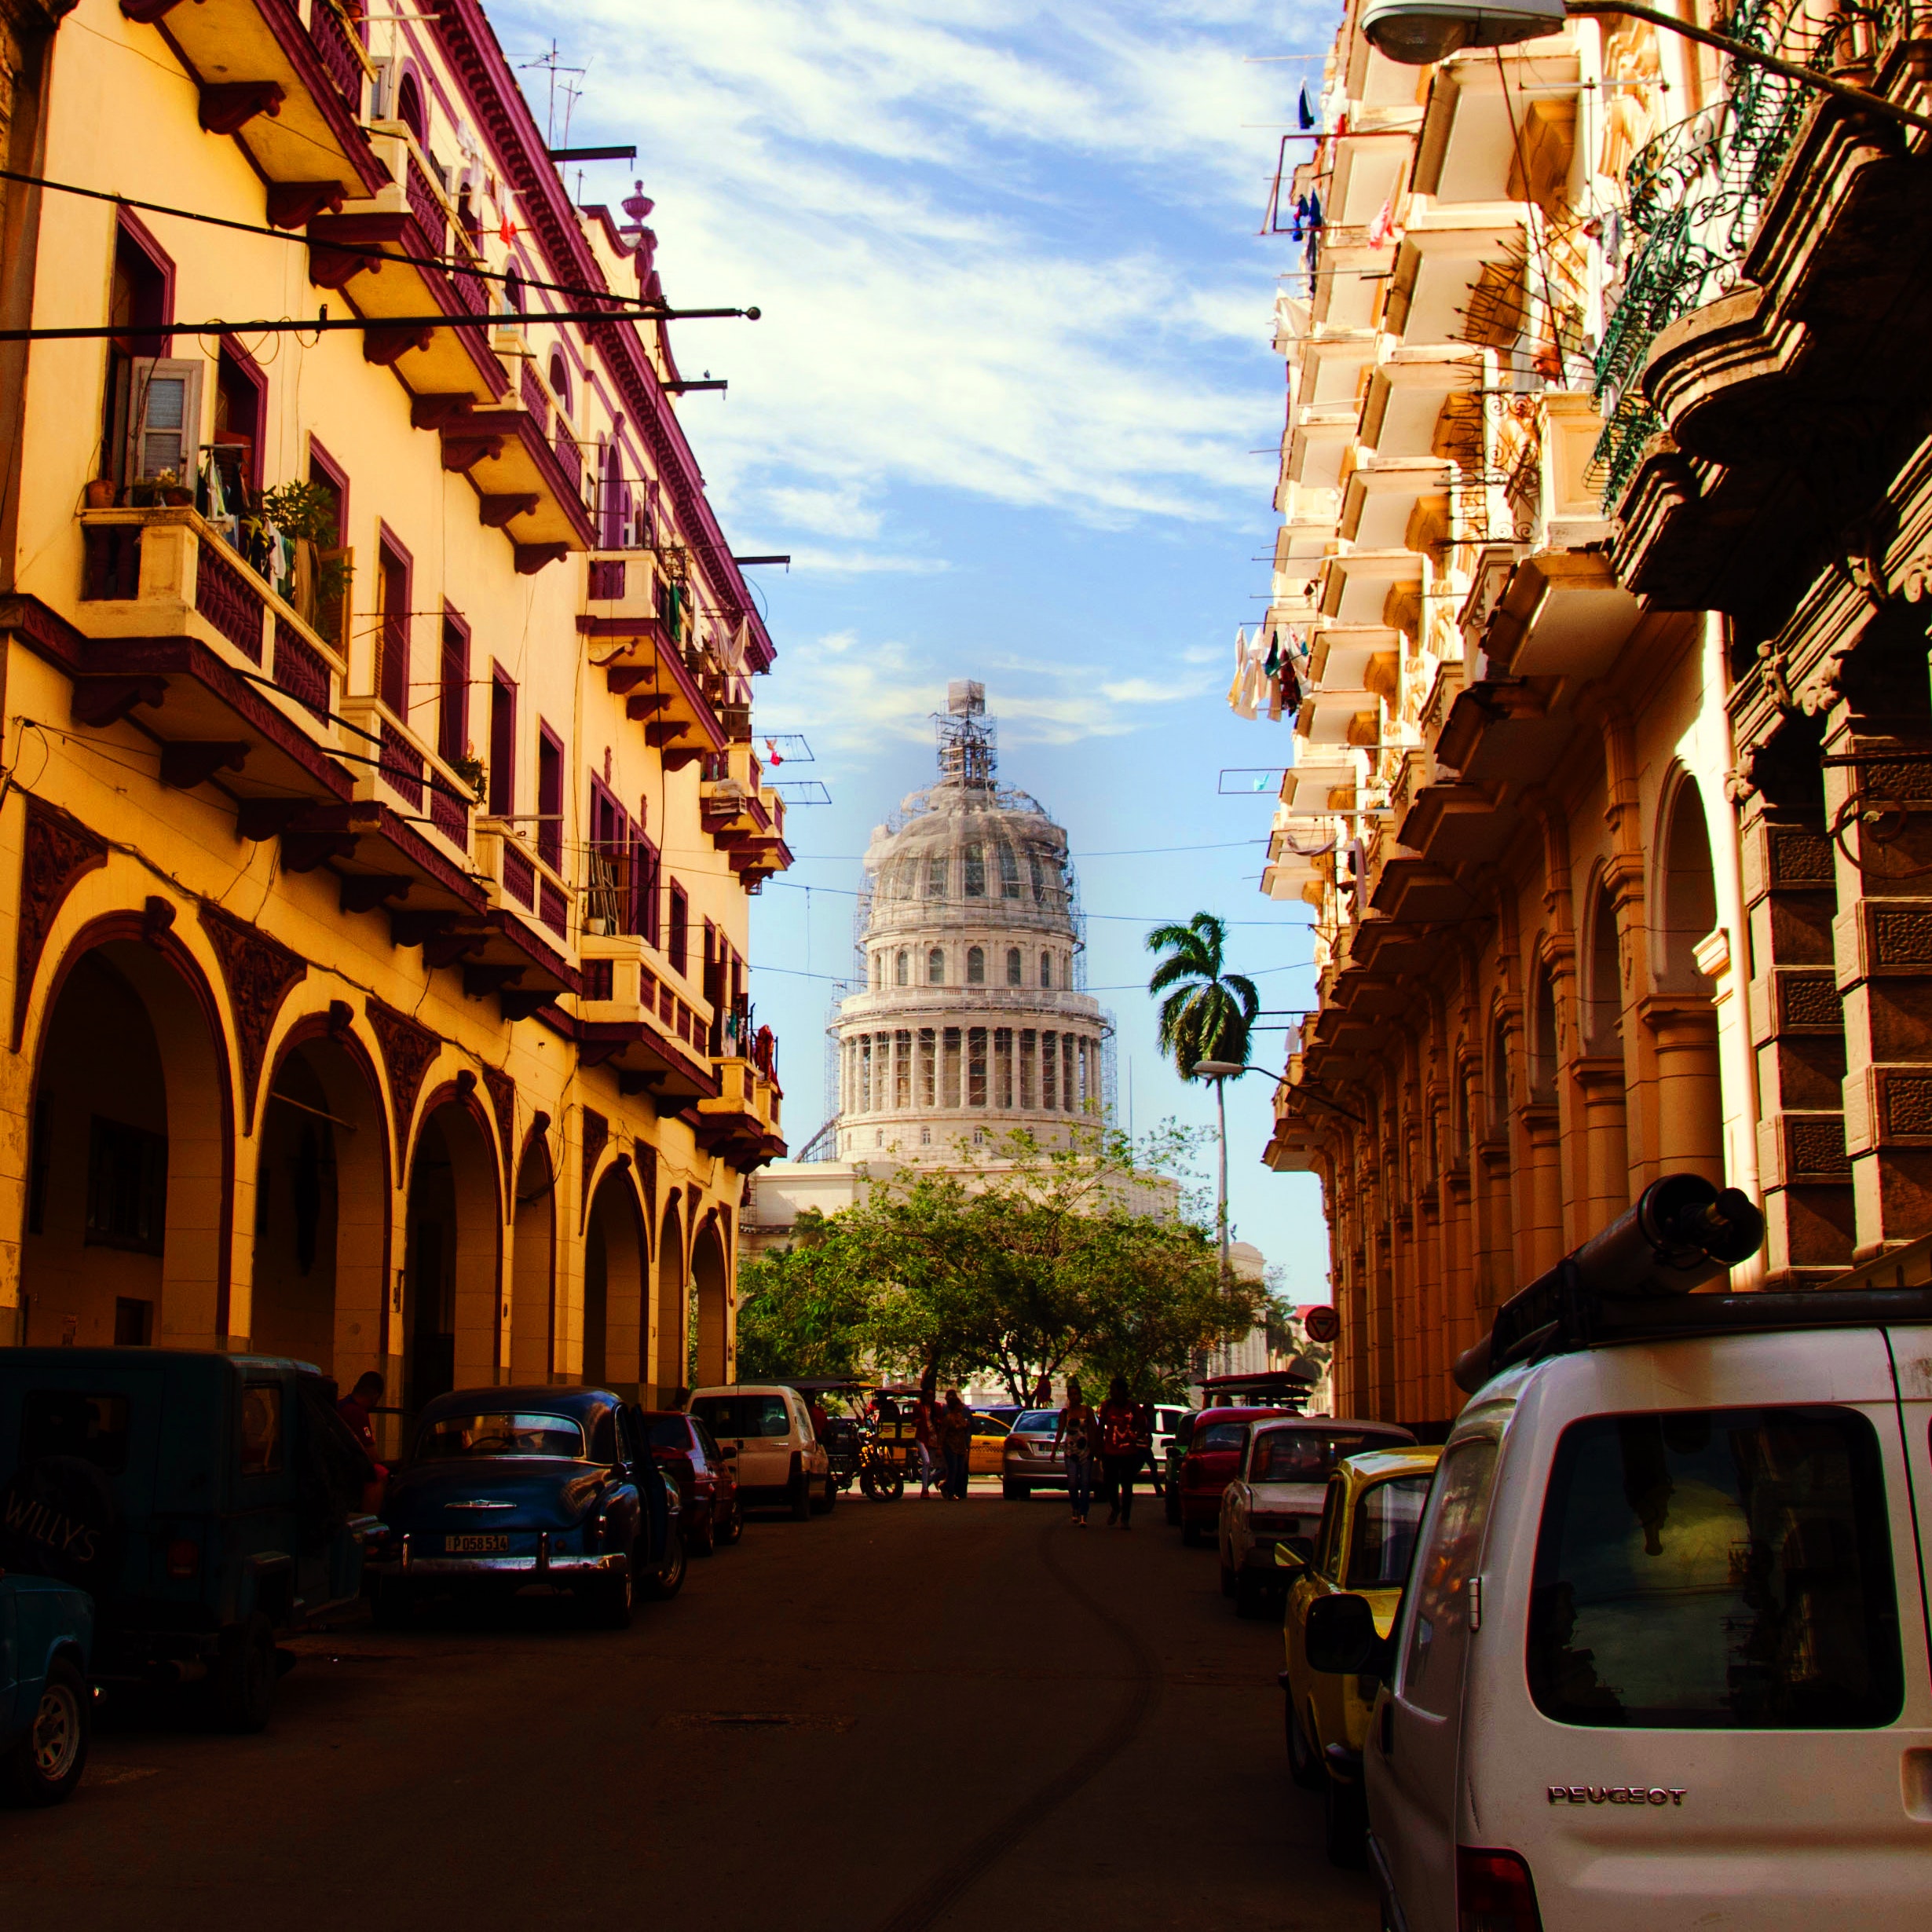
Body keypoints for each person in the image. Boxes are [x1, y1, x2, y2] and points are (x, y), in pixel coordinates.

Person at [1099, 1376, 1147, 1529]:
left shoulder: (1134, 1408)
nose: (1110, 1392)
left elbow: (1142, 1427)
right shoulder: (1106, 1406)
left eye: (1113, 1389)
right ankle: (1115, 1507)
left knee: (1127, 1486)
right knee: (1109, 1484)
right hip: (1110, 1452)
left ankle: (1125, 1518)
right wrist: (1098, 1448)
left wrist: (1136, 1435)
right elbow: (1100, 1428)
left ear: (1121, 1391)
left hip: (1128, 1452)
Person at [336, 1370, 388, 1511]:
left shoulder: (340, 1406)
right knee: (380, 1473)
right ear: (375, 1396)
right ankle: (371, 1519)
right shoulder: (357, 1413)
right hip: (349, 1472)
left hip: (338, 1467)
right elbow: (371, 1454)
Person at [1052, 1378, 1097, 1527]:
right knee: (1072, 1483)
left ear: (1080, 1395)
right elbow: (1060, 1432)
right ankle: (1075, 1508)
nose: (1074, 1397)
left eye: (1076, 1394)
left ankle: (1084, 1514)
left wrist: (1094, 1448)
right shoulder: (1065, 1413)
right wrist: (1054, 1450)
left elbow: (1094, 1429)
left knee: (1085, 1483)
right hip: (1071, 1452)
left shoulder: (1087, 1411)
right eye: (1071, 1394)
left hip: (1086, 1451)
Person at [937, 1390, 973, 1501]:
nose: (962, 1406)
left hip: (961, 1446)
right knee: (953, 1469)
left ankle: (947, 1486)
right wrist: (940, 1447)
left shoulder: (961, 1417)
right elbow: (943, 1433)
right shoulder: (949, 1418)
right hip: (950, 1446)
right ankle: (951, 1492)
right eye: (959, 1404)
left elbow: (966, 1429)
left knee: (960, 1470)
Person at [912, 1390, 937, 1497]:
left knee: (933, 1464)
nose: (930, 1398)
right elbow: (913, 1420)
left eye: (932, 1395)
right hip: (921, 1436)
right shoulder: (918, 1407)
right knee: (926, 1462)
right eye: (928, 1395)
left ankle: (928, 1484)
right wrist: (916, 1422)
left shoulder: (936, 1407)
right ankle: (925, 1488)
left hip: (933, 1436)